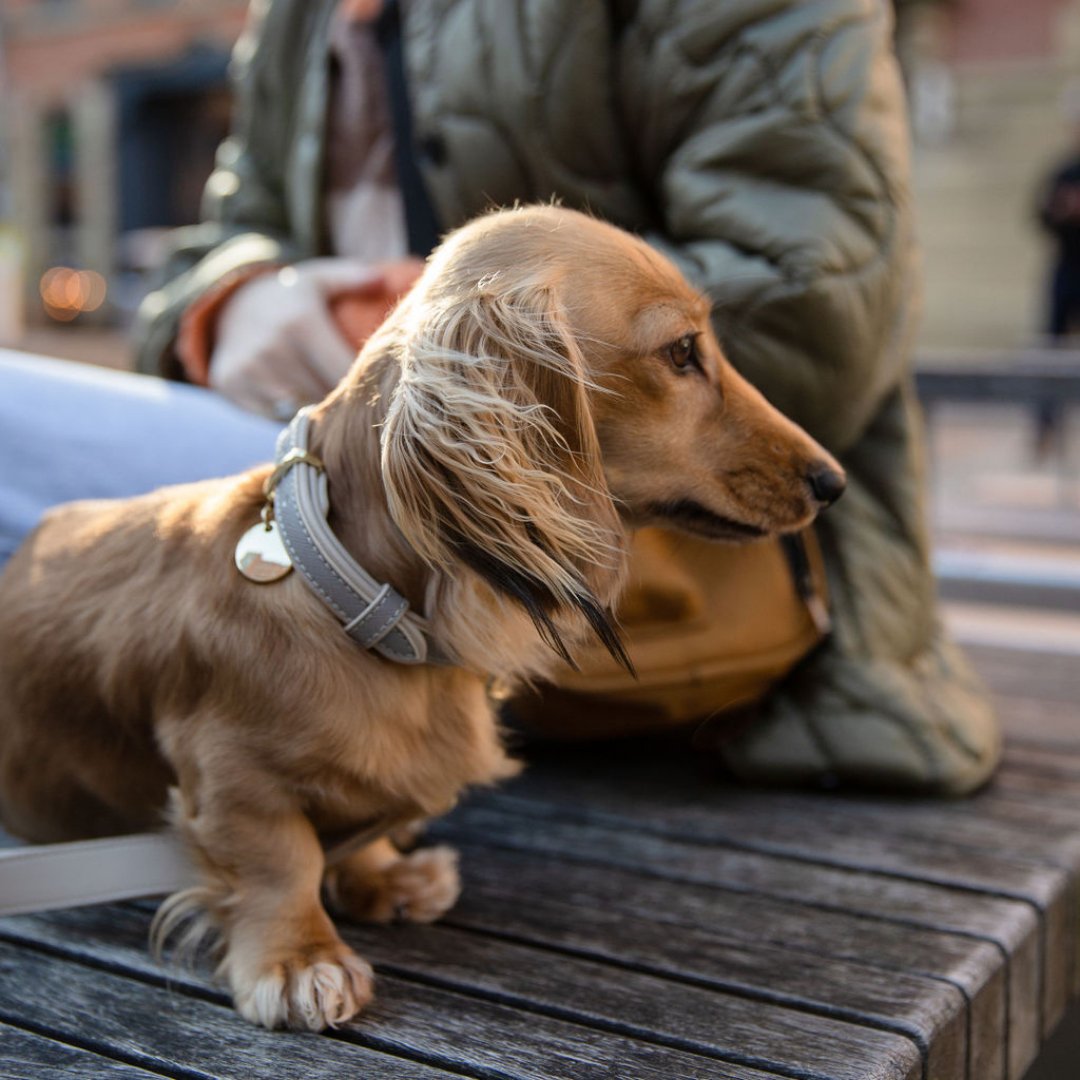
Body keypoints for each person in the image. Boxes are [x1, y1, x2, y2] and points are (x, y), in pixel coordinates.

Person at [13, 0, 1001, 793]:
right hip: (314, 479)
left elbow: (818, 304)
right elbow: (215, 245)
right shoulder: (298, 17)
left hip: (651, 573)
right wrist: (231, 306)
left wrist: (444, 347)